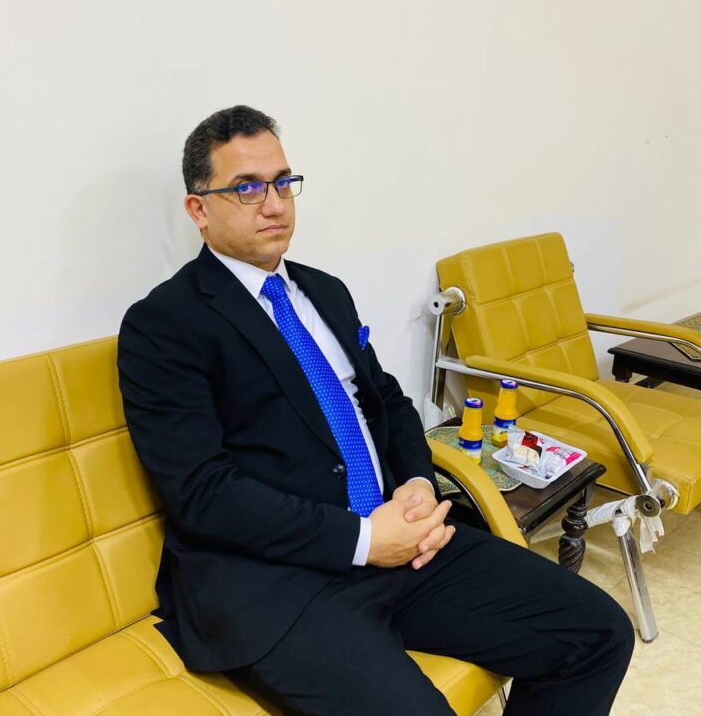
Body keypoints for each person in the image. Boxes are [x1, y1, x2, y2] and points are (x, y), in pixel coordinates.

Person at [117, 105, 634, 716]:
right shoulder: (165, 323)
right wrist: (364, 540)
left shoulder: (324, 291)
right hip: (279, 582)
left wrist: (416, 481)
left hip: (399, 538)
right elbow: (202, 493)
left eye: (283, 182)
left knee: (598, 633)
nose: (274, 204)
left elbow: (385, 399)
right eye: (247, 188)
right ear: (199, 209)